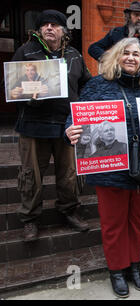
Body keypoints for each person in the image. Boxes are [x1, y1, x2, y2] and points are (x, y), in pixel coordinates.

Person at [66, 37, 140, 298]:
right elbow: (75, 116)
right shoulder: (96, 85)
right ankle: (117, 270)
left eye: (136, 55)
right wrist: (69, 130)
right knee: (113, 223)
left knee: (136, 221)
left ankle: (133, 266)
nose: (131, 58)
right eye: (126, 53)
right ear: (116, 56)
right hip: (110, 167)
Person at [12, 9, 91, 242]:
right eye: (44, 24)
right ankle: (30, 219)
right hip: (33, 125)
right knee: (31, 175)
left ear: (63, 30)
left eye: (54, 25)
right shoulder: (26, 53)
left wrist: (85, 109)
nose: (49, 28)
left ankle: (69, 211)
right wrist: (28, 96)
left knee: (69, 173)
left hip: (67, 126)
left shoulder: (75, 55)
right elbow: (11, 87)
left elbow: (86, 85)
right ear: (38, 30)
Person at [88, 1, 140, 73]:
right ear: (129, 17)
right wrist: (109, 58)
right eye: (136, 15)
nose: (139, 18)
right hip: (117, 79)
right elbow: (93, 48)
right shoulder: (116, 33)